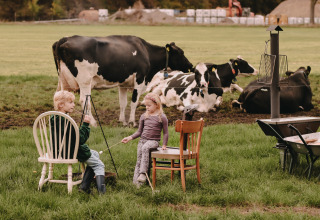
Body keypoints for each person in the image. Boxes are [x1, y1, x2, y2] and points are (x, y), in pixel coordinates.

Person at [52, 90, 106, 194]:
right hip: (70, 152)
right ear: (61, 105)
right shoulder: (66, 120)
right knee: (99, 165)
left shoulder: (54, 117)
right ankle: (102, 194)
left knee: (94, 154)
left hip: (58, 151)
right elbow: (79, 140)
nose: (73, 105)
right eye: (71, 102)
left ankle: (84, 186)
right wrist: (85, 124)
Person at [121, 93, 169, 186]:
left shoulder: (162, 117)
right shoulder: (144, 116)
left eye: (149, 105)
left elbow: (166, 133)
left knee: (145, 148)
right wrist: (129, 138)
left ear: (157, 104)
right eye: (146, 105)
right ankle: (136, 184)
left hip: (154, 142)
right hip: (142, 140)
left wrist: (164, 145)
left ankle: (143, 173)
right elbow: (139, 132)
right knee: (139, 160)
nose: (147, 107)